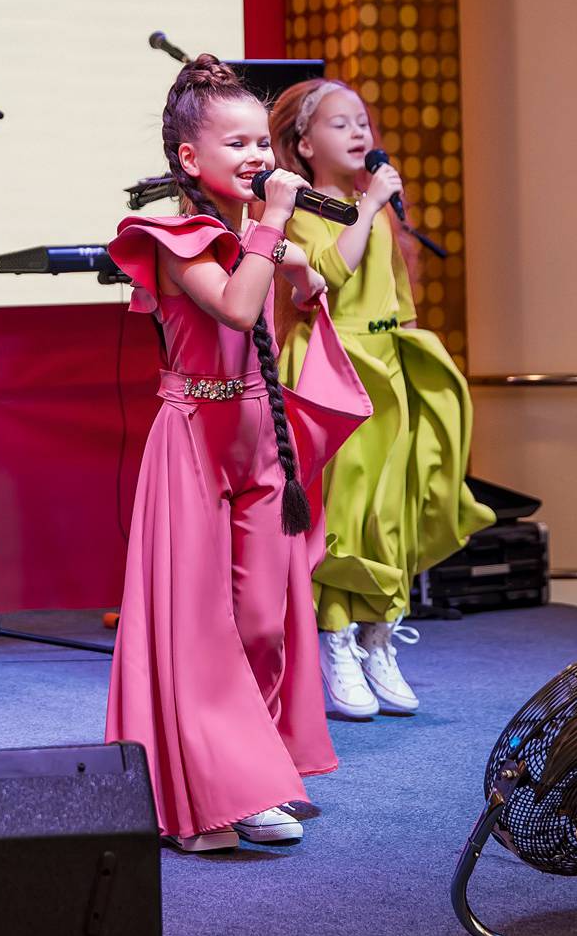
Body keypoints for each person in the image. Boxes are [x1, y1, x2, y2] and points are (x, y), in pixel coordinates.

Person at [106, 57, 371, 851]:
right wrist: (275, 228)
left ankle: (252, 771)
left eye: (263, 142)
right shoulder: (174, 239)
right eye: (238, 144)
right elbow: (235, 305)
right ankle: (215, 793)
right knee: (200, 630)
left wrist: (301, 264)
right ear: (190, 159)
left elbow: (287, 277)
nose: (258, 157)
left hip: (262, 441)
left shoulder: (254, 234)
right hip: (193, 439)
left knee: (263, 621)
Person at [269, 79, 494, 720]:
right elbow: (324, 277)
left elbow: (397, 296)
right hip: (332, 368)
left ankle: (379, 637)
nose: (358, 133)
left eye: (362, 123)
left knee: (389, 512)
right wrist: (368, 207)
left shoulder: (378, 208)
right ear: (304, 143)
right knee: (343, 510)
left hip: (386, 364)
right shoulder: (303, 206)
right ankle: (335, 637)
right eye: (340, 124)